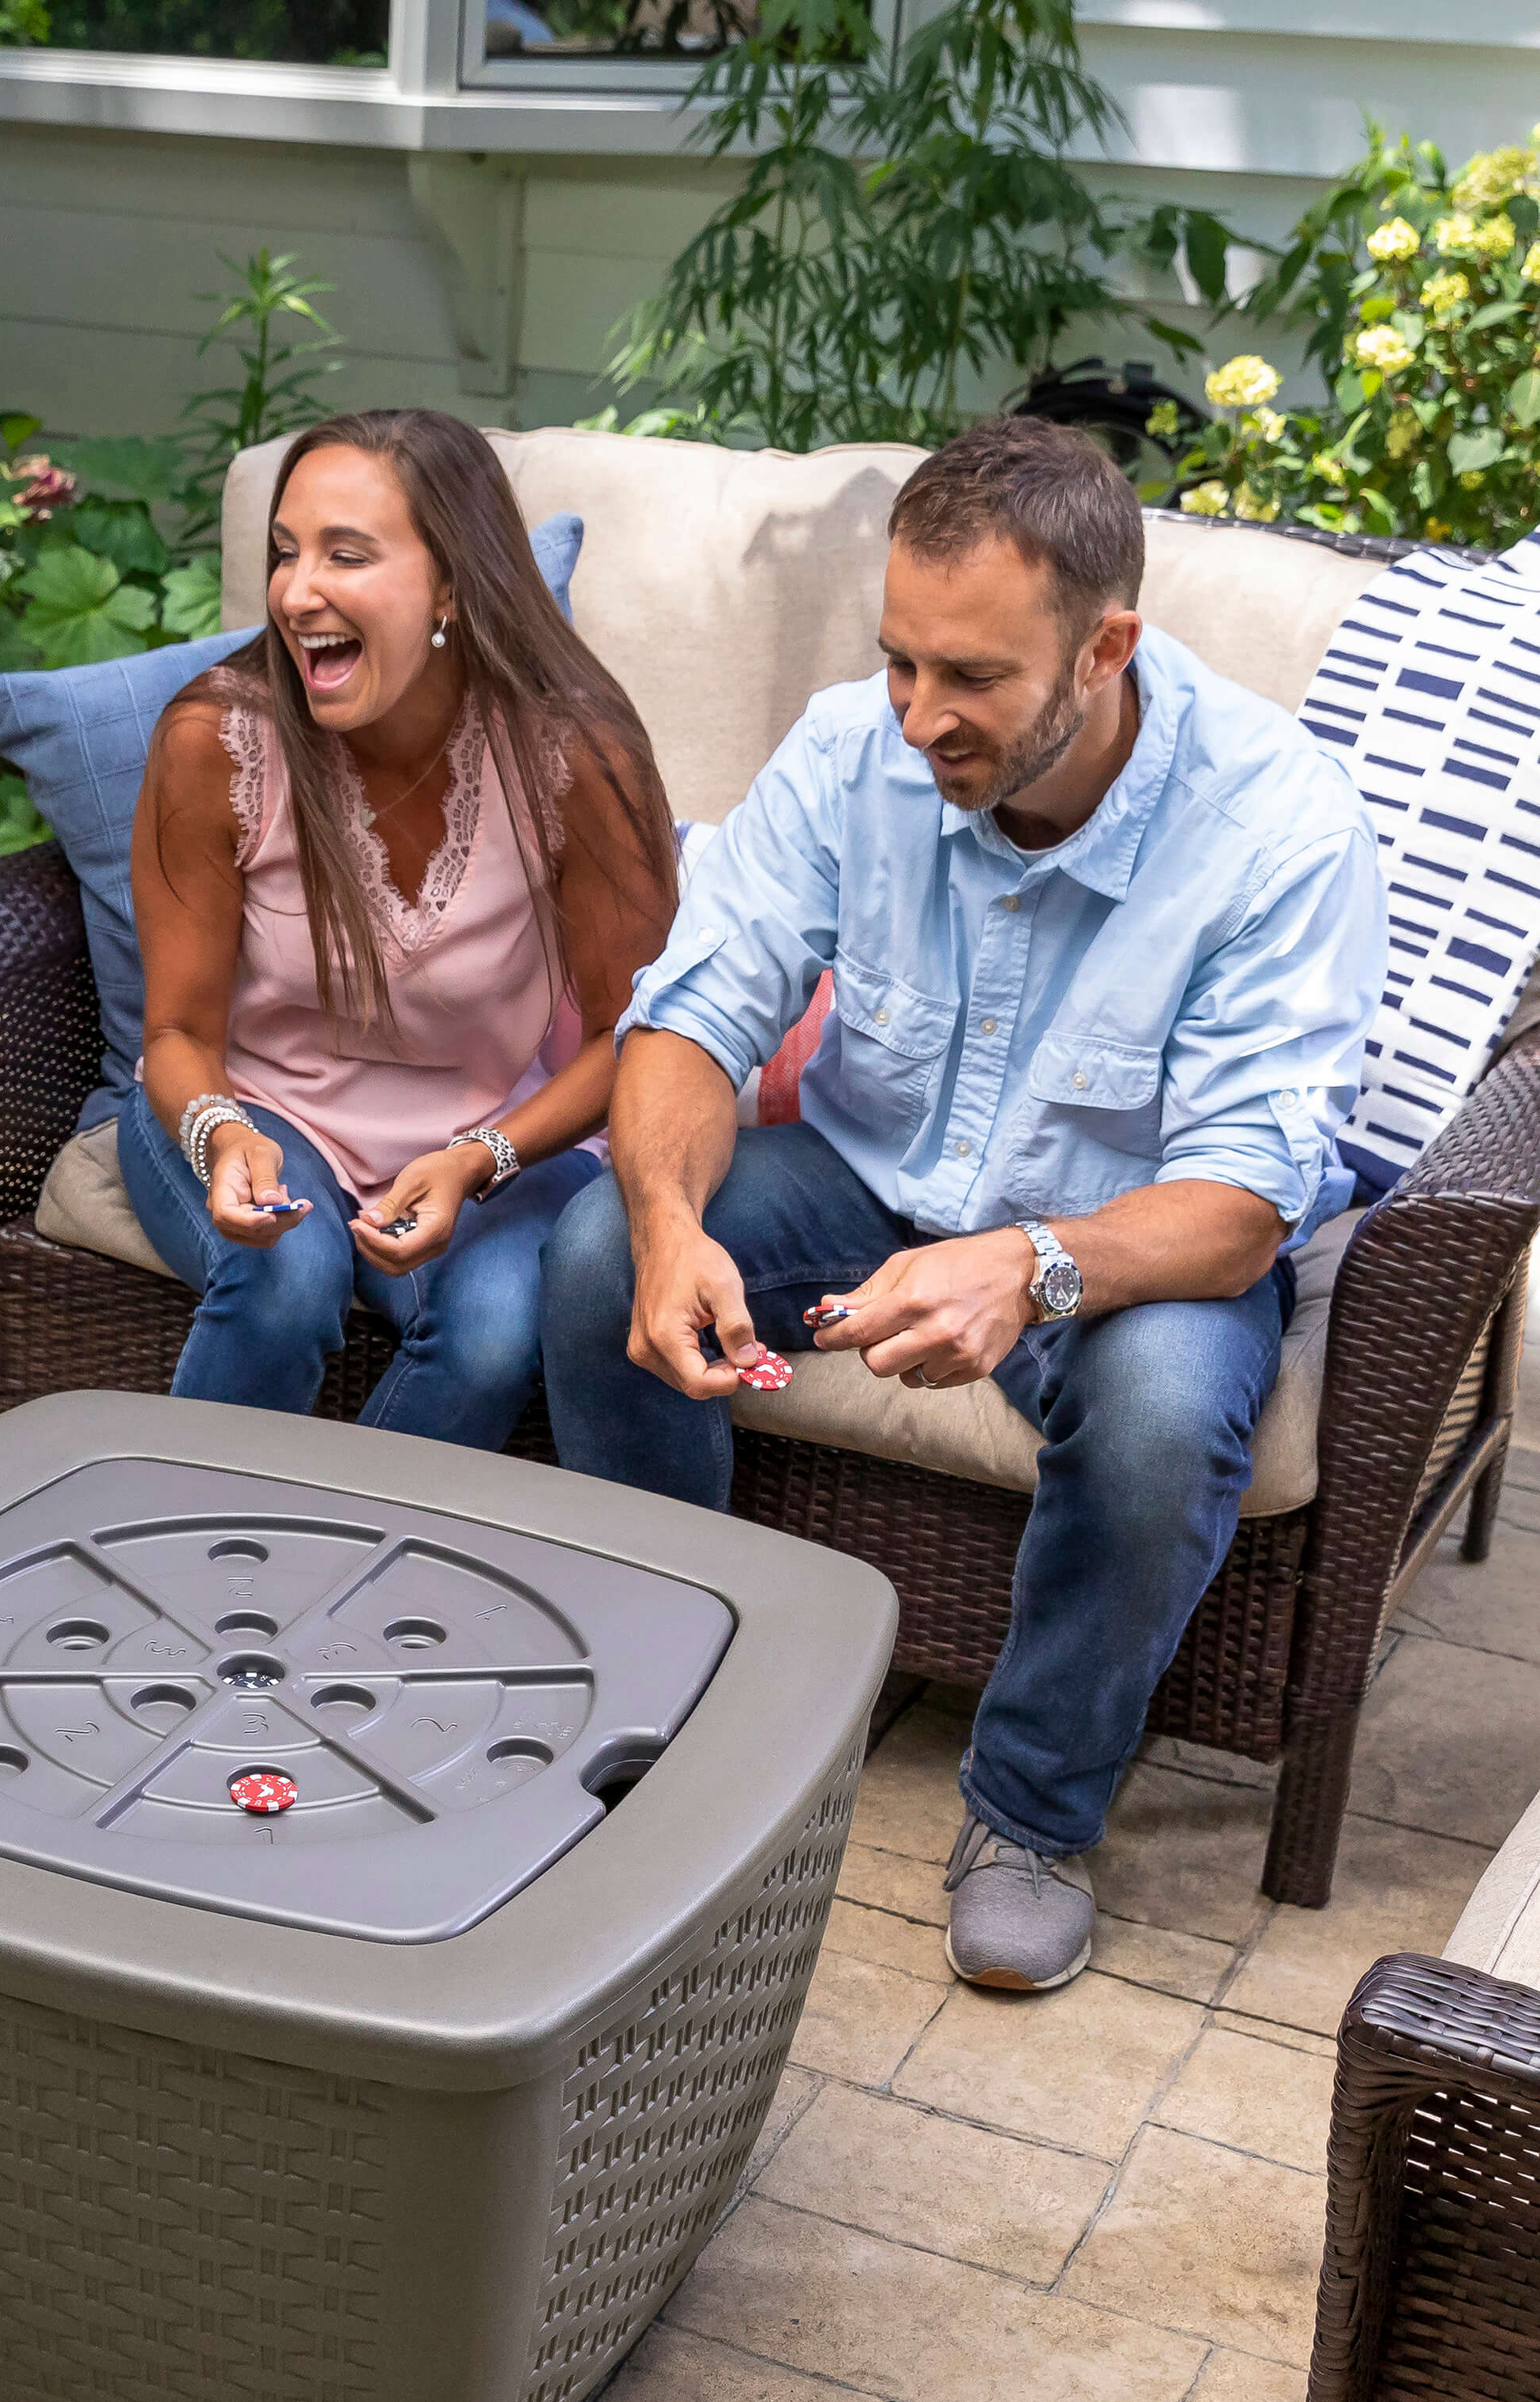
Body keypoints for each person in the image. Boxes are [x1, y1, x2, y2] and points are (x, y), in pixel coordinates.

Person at [541, 415, 1386, 1995]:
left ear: (1106, 646)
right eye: (901, 662)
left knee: (1157, 1418)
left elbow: (1245, 1206)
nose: (922, 714)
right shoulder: (849, 750)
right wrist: (667, 1223)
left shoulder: (1276, 831)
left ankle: (1028, 1816)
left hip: (1132, 1245)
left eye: (974, 679)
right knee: (597, 1250)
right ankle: (673, 1696)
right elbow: (692, 1019)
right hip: (870, 1182)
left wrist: (1030, 1267)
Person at [121, 408, 676, 1447]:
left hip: (488, 1129)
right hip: (247, 1104)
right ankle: (189, 1559)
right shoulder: (217, 739)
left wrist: (480, 1156)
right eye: (286, 554)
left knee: (497, 1332)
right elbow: (176, 1038)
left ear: (454, 586)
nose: (297, 592)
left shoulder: (576, 756)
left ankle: (346, 1586)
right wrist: (226, 1132)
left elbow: (639, 1030)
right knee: (289, 1281)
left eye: (347, 555)